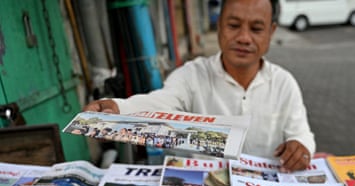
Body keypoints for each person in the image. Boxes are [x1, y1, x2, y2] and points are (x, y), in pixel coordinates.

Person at [82, 0, 315, 171]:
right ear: (219, 24)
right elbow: (159, 102)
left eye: (256, 29)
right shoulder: (192, 76)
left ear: (271, 31)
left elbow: (302, 134)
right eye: (234, 25)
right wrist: (117, 109)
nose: (244, 37)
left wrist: (300, 147)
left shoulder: (284, 84)